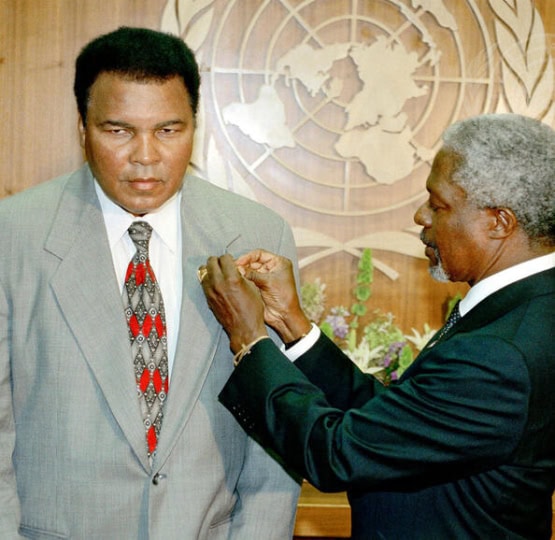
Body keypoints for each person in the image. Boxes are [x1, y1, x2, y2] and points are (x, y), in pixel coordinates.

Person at [0, 26, 301, 539]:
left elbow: (274, 428)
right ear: (83, 127)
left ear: (194, 127)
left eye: (168, 130)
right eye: (118, 130)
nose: (145, 155)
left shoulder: (255, 233)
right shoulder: (14, 235)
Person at [200, 113, 555, 539]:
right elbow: (393, 423)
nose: (420, 216)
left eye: (438, 204)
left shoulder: (500, 353)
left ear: (498, 222)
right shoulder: (528, 311)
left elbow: (337, 452)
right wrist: (292, 324)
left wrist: (249, 337)